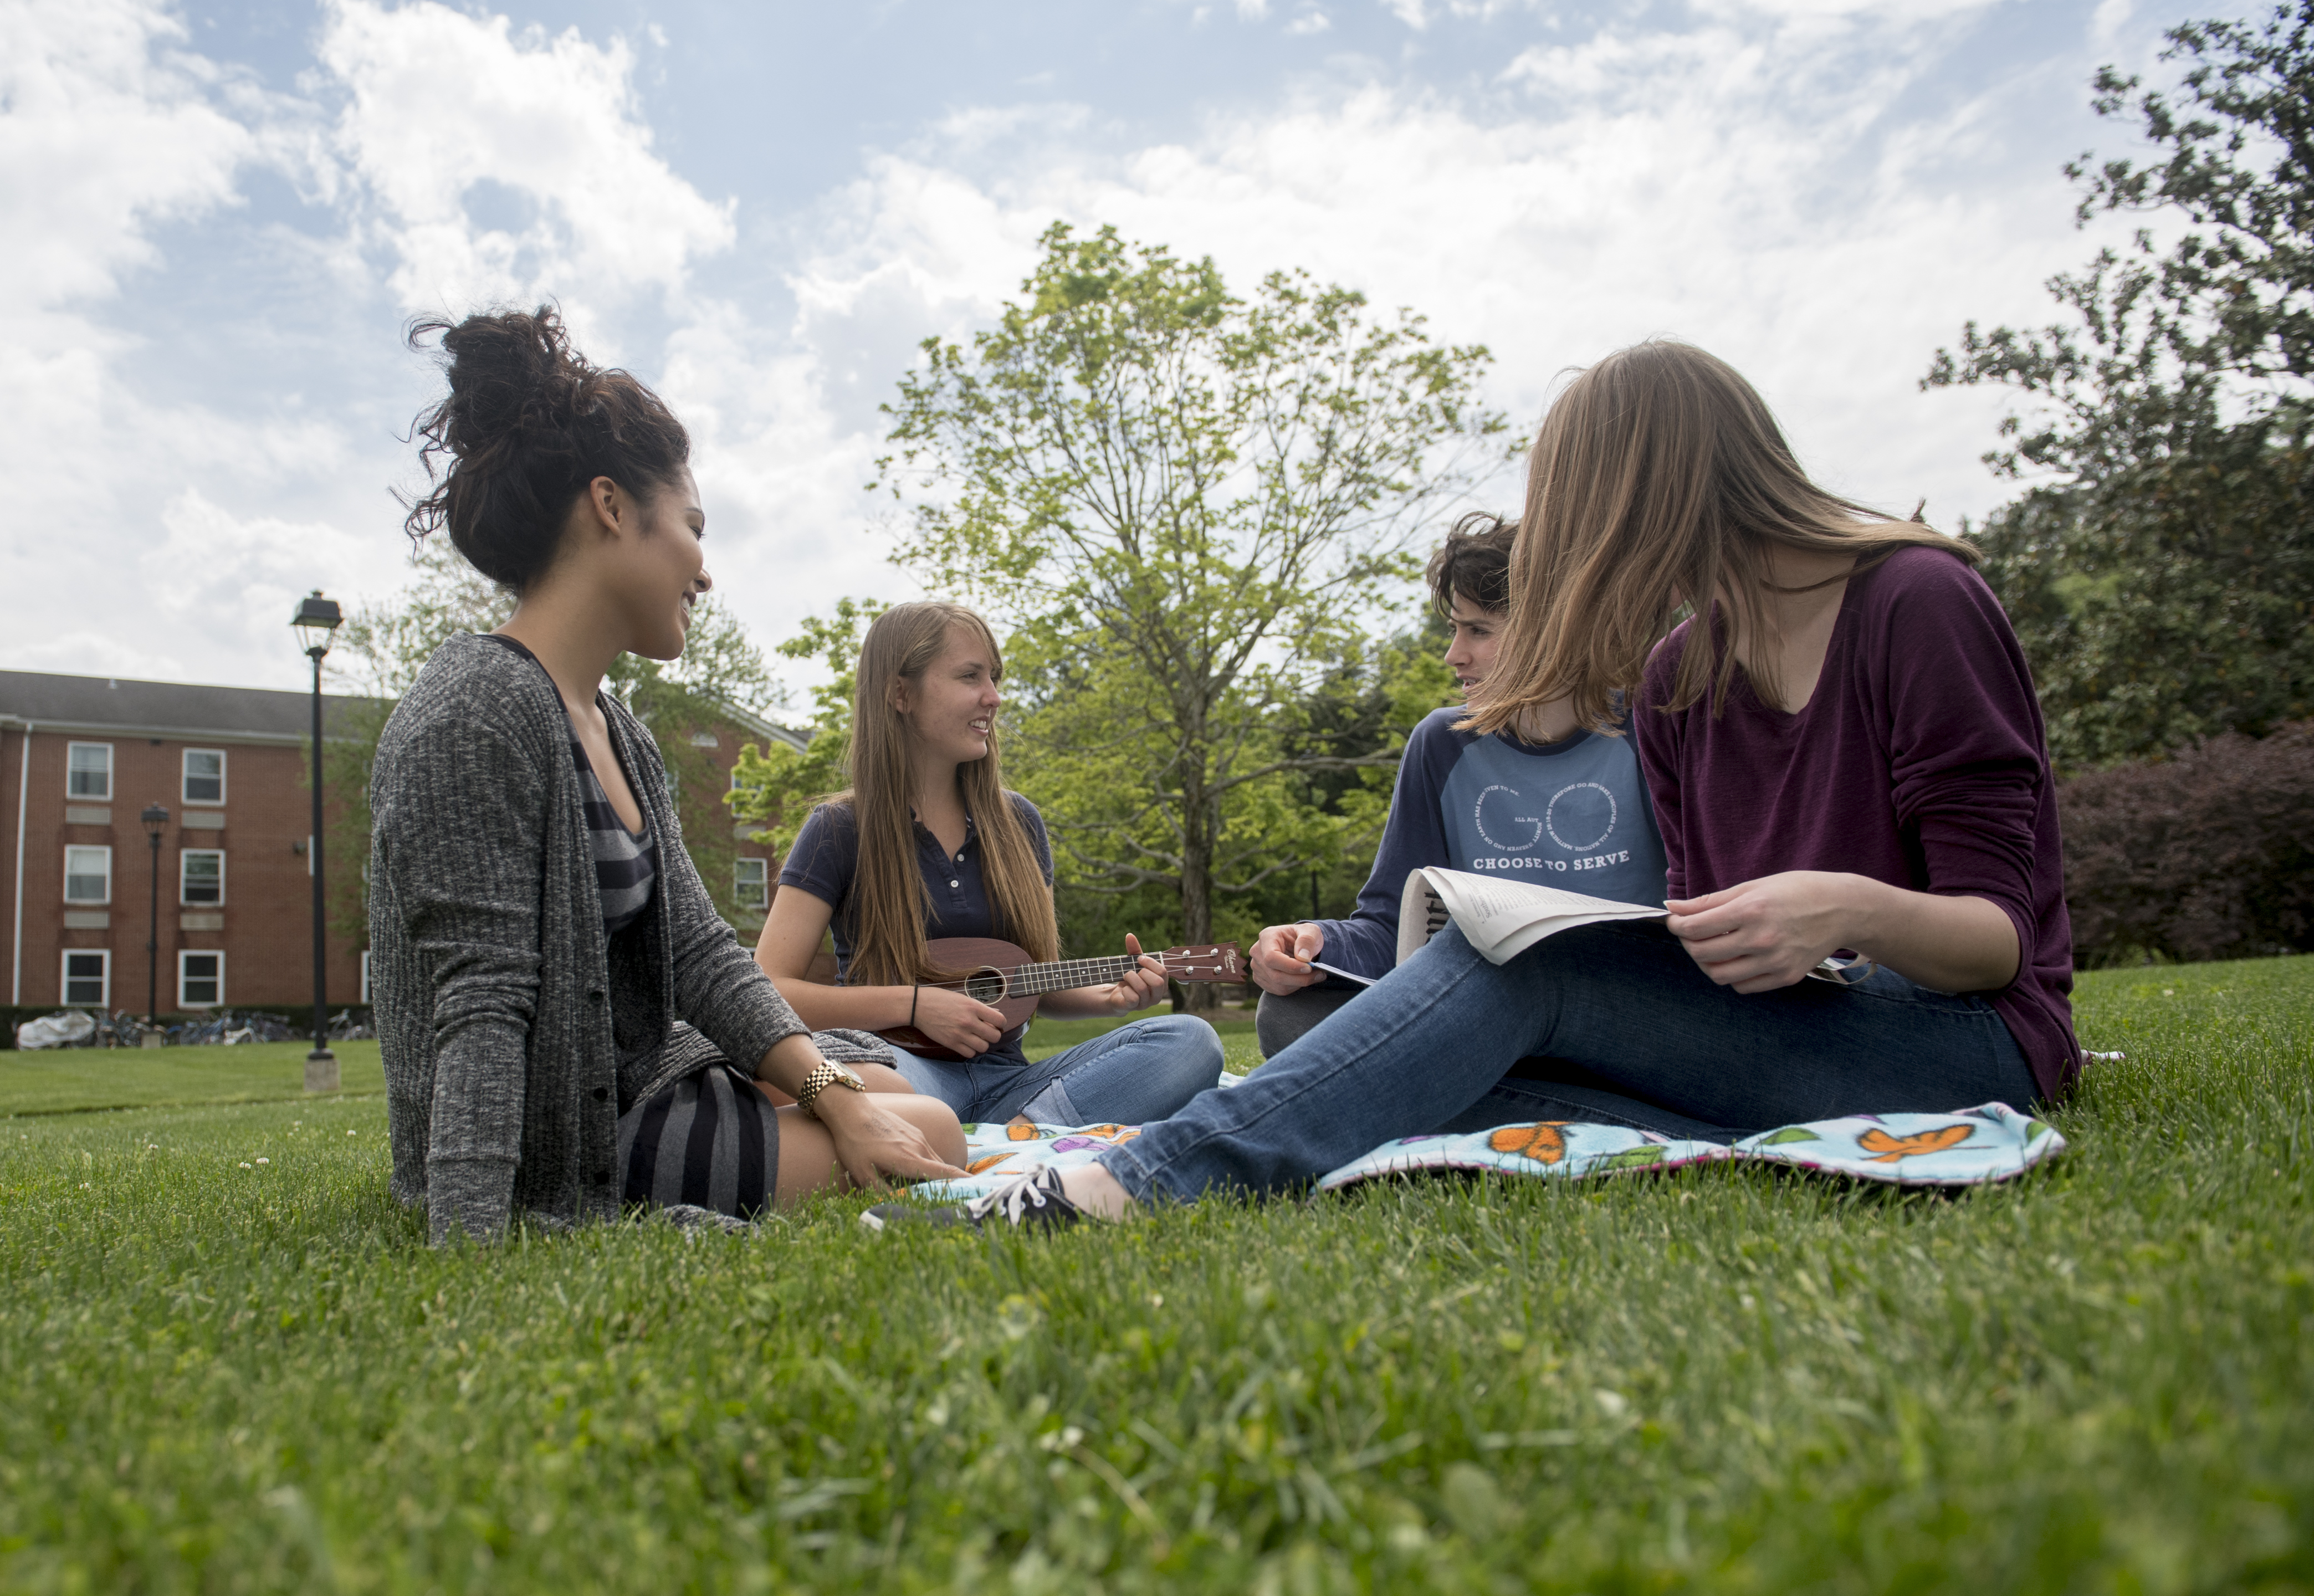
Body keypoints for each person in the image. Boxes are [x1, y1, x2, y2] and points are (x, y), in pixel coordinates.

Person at [869, 339, 2076, 1231]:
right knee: (1423, 1067)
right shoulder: (1677, 674)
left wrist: (1847, 909)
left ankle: (1129, 1183)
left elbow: (1996, 947)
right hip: (1789, 1041)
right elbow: (1703, 944)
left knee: (1521, 971)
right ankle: (1179, 1152)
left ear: (1648, 493)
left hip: (1960, 1041)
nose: (1562, 548)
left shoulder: (1916, 604)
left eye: (1577, 510)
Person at [369, 306, 967, 1244]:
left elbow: (699, 952)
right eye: (693, 526)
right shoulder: (475, 711)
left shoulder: (618, 727)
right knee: (930, 1129)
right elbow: (479, 1005)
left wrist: (835, 1100)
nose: (705, 571)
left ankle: (806, 1116)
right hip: (566, 1140)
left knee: (885, 1098)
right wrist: (471, 1248)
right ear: (612, 508)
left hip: (646, 1070)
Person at [755, 602, 1229, 1129]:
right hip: (901, 1069)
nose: (994, 697)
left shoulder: (1018, 822)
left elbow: (1035, 986)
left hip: (1011, 1080)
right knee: (843, 1078)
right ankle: (1019, 1130)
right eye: (969, 676)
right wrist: (914, 1005)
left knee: (1190, 1042)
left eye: (995, 678)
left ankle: (1017, 1131)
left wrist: (1111, 999)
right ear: (900, 694)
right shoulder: (838, 828)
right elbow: (770, 989)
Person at [1250, 513, 1668, 1057]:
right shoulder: (1441, 745)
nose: (1455, 655)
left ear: (1555, 629)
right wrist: (1312, 943)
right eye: (1455, 629)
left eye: (1479, 630)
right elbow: (1392, 932)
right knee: (1294, 1012)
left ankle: (1473, 1106)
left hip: (1634, 1027)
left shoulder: (1650, 729)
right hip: (1493, 1029)